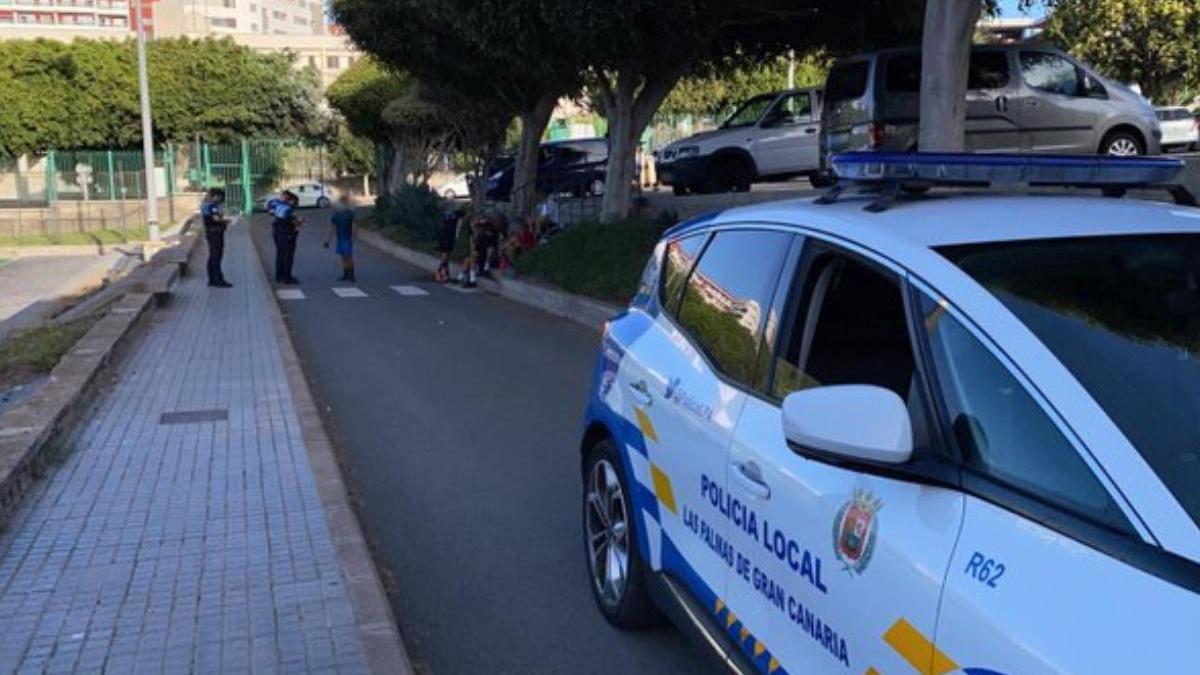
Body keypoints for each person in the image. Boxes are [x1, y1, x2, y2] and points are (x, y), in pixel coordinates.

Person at [200, 188, 232, 288]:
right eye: (219, 197)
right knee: (216, 257)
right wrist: (227, 220)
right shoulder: (211, 206)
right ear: (215, 196)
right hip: (215, 233)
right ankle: (219, 281)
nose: (220, 199)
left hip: (211, 233)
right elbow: (216, 218)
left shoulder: (205, 205)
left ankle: (212, 279)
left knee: (212, 257)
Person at [269, 190, 301, 284]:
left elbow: (272, 216)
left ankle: (279, 276)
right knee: (288, 256)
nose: (294, 204)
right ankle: (287, 277)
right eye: (294, 202)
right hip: (288, 234)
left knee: (280, 254)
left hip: (276, 233)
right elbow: (294, 222)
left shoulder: (274, 205)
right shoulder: (288, 209)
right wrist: (300, 222)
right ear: (290, 200)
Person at [324, 194, 356, 282]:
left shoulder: (349, 214)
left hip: (345, 237)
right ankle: (346, 274)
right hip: (342, 237)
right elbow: (333, 228)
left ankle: (350, 274)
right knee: (344, 256)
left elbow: (353, 226)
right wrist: (328, 240)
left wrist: (353, 237)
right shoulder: (337, 215)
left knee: (348, 256)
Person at [435, 210, 462, 283]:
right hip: (446, 237)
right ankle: (439, 272)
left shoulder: (454, 215)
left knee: (447, 257)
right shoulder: (449, 215)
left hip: (448, 237)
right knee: (445, 257)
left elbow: (458, 224)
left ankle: (445, 274)